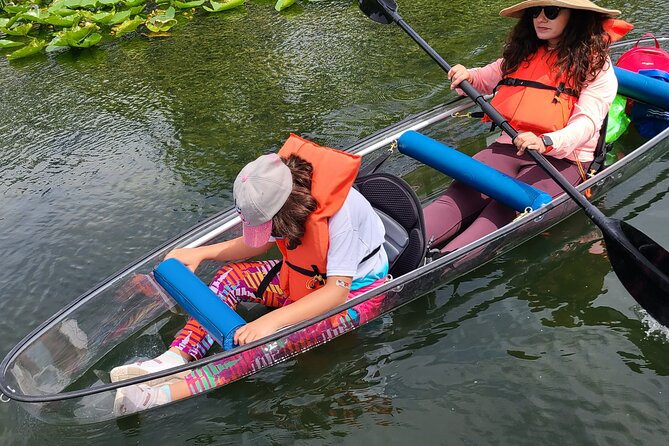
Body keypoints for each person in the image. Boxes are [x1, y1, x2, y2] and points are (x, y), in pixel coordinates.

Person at [111, 135, 389, 414]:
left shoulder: (342, 214)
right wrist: (200, 253)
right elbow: (259, 242)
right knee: (230, 277)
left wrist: (269, 323)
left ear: (286, 210)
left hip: (355, 291)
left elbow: (336, 291)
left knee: (265, 343)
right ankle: (173, 360)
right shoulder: (278, 193)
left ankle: (158, 396)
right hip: (304, 278)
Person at [424, 0, 624, 253]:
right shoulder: (523, 53)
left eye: (551, 12)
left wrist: (546, 142)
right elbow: (485, 77)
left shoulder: (598, 68)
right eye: (535, 12)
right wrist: (468, 75)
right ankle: (389, 257)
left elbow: (586, 124)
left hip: (564, 159)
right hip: (510, 145)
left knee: (500, 213)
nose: (541, 18)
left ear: (576, 17)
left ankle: (438, 264)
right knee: (454, 200)